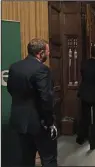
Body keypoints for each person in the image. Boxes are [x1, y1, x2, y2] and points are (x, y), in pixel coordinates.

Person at [7, 38, 58, 167]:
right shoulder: (42, 69)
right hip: (38, 123)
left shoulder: (14, 67)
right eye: (47, 51)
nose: (49, 54)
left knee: (26, 159)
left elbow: (11, 90)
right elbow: (46, 98)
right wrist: (50, 122)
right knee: (49, 158)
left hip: (19, 120)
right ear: (40, 53)